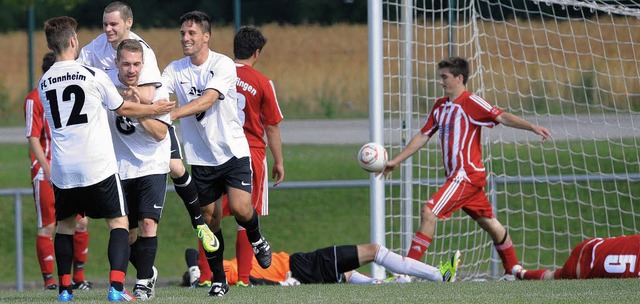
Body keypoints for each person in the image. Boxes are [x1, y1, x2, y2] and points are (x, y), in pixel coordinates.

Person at [38, 16, 174, 302]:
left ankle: (64, 291)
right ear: (73, 41)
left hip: (63, 168)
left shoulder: (44, 81)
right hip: (97, 165)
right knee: (119, 224)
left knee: (64, 227)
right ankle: (115, 288)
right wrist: (154, 107)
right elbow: (123, 108)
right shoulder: (92, 75)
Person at [380, 57, 552, 277]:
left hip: (465, 176)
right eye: (440, 77)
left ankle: (404, 273)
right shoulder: (440, 106)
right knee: (491, 224)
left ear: (459, 78)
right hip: (458, 178)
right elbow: (423, 135)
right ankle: (513, 269)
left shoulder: (471, 102)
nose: (441, 82)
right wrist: (395, 161)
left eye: (445, 77)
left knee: (429, 212)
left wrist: (532, 127)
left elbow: (502, 116)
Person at [77, 1, 219, 253]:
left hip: (150, 118)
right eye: (105, 24)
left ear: (128, 23)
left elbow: (148, 92)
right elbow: (79, 74)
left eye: (113, 24)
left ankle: (199, 222)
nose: (108, 29)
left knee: (175, 166)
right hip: (121, 129)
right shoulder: (95, 48)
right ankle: (145, 271)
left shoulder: (143, 50)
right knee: (126, 229)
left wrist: (114, 94)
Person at [161, 10, 272, 297]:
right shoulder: (175, 69)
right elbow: (157, 93)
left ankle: (258, 239)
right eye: (183, 33)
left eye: (192, 33)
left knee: (240, 208)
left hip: (233, 151)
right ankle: (219, 279)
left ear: (206, 37)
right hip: (200, 158)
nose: (186, 38)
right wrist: (140, 98)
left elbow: (207, 100)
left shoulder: (222, 64)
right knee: (209, 222)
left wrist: (172, 113)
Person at [215, 25, 285, 287]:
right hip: (251, 153)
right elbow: (272, 125)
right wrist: (278, 161)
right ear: (257, 52)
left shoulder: (217, 75)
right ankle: (244, 278)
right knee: (247, 216)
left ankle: (206, 275)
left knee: (211, 216)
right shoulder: (262, 82)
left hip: (219, 151)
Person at [105, 39, 172, 301]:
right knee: (127, 233)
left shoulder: (157, 90)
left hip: (152, 164)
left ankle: (143, 283)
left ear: (143, 64)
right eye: (126, 64)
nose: (131, 70)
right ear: (116, 63)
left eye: (136, 64)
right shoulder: (106, 85)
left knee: (147, 223)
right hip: (119, 167)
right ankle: (147, 270)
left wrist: (140, 111)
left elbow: (160, 134)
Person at [24, 52, 93, 291]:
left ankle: (79, 278)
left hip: (71, 168)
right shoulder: (35, 97)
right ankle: (50, 281)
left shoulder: (70, 93)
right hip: (47, 172)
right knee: (49, 226)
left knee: (81, 222)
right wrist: (46, 167)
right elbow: (33, 136)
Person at [183, 244, 461, 286]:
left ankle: (382, 285)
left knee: (346, 273)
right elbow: (258, 283)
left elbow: (187, 252)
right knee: (374, 250)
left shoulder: (227, 267)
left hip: (301, 265)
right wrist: (285, 283)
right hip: (301, 266)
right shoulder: (227, 272)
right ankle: (438, 274)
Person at [512, 235, 640, 280]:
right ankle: (519, 273)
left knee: (552, 277)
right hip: (588, 255)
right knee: (553, 278)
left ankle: (519, 272)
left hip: (593, 250)